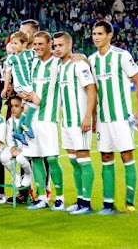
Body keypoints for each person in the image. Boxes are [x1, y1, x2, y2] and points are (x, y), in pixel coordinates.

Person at [89, 20, 138, 214]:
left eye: (100, 34)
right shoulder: (92, 60)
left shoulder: (122, 56)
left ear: (109, 35)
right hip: (103, 119)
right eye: (94, 34)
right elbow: (93, 92)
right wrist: (94, 118)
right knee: (105, 156)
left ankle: (129, 202)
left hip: (121, 118)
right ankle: (108, 203)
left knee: (127, 155)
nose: (96, 37)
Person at [53, 31, 97, 215]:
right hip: (66, 123)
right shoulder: (61, 67)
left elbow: (92, 89)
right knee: (74, 162)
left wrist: (88, 116)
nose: (57, 49)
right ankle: (79, 200)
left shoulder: (78, 65)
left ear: (70, 46)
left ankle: (86, 203)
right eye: (54, 46)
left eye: (60, 45)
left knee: (84, 160)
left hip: (80, 122)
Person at [22, 32, 65, 211]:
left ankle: (60, 197)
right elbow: (27, 88)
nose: (37, 47)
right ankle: (41, 197)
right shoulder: (33, 65)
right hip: (32, 118)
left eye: (41, 44)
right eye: (35, 44)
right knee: (35, 158)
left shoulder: (58, 63)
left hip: (48, 119)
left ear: (49, 44)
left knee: (52, 158)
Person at [1, 31, 40, 145]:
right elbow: (7, 74)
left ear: (24, 44)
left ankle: (18, 131)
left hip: (28, 83)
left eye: (15, 43)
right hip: (21, 85)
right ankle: (26, 124)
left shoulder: (30, 53)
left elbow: (42, 56)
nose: (12, 45)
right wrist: (5, 88)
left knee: (27, 106)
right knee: (36, 100)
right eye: (11, 43)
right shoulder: (11, 58)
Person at [0, 96, 34, 199]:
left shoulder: (29, 120)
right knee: (3, 156)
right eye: (12, 106)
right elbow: (8, 136)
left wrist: (21, 149)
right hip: (14, 147)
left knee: (20, 158)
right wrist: (12, 147)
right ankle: (16, 175)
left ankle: (28, 174)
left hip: (26, 148)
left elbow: (30, 137)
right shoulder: (10, 121)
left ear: (23, 108)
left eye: (16, 106)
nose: (13, 109)